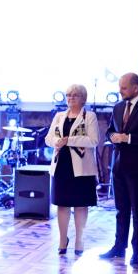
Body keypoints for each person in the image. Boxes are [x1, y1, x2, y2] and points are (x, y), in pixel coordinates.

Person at [100, 73, 138, 268]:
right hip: (119, 165)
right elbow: (110, 131)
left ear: (135, 88)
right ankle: (119, 247)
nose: (120, 91)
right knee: (121, 209)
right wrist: (112, 136)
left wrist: (128, 138)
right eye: (120, 87)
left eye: (124, 87)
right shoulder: (118, 107)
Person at [44, 84, 99, 256]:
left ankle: (79, 240)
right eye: (68, 95)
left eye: (75, 95)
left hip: (82, 168)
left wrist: (69, 140)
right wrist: (57, 142)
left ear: (83, 98)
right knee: (62, 204)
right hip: (61, 165)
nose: (71, 98)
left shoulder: (89, 116)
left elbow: (93, 141)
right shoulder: (59, 116)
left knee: (81, 204)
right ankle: (62, 239)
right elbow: (48, 138)